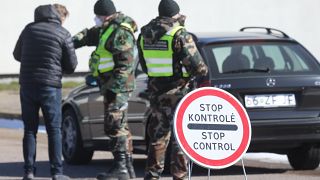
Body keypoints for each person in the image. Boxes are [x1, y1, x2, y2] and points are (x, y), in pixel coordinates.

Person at [137, 0, 208, 179]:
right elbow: (199, 67)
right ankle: (180, 175)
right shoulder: (179, 34)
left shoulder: (144, 34)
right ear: (175, 14)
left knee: (158, 137)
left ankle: (152, 175)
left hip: (157, 92)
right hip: (179, 92)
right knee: (179, 137)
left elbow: (145, 66)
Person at [72, 0, 137, 179]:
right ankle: (127, 168)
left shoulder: (120, 32)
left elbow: (125, 64)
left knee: (115, 125)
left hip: (118, 87)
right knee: (118, 125)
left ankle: (120, 168)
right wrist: (67, 42)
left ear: (105, 15)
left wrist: (114, 89)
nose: (96, 20)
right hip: (110, 86)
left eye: (98, 16)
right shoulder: (107, 28)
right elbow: (87, 35)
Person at [13, 4, 77, 180]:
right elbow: (71, 66)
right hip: (50, 86)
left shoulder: (28, 30)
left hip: (27, 85)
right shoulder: (62, 33)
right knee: (54, 129)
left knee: (29, 130)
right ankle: (57, 172)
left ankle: (29, 171)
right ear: (56, 16)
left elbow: (17, 54)